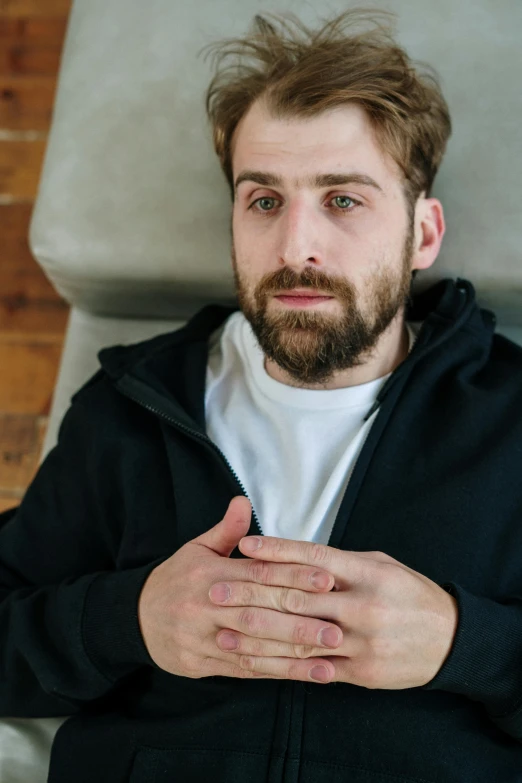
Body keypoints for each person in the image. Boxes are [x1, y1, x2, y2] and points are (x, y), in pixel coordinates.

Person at [1, 8, 522, 783]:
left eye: (342, 199)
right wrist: (130, 619)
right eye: (264, 200)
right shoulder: (130, 407)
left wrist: (463, 643)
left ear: (423, 234)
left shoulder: (510, 419)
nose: (294, 247)